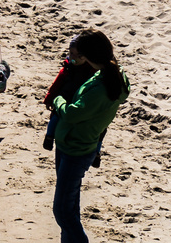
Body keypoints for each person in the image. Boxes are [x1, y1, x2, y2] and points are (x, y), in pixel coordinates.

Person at [49, 30, 129, 243]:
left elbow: (73, 113)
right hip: (75, 145)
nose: (75, 59)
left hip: (76, 149)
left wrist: (57, 100)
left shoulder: (101, 86)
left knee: (63, 212)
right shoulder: (111, 74)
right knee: (70, 206)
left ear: (89, 56)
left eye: (79, 55)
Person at [43, 35, 98, 155]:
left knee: (98, 129)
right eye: (71, 53)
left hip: (80, 101)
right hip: (65, 99)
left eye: (79, 56)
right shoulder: (67, 68)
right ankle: (49, 137)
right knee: (55, 117)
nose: (74, 58)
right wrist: (49, 99)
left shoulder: (91, 70)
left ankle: (97, 153)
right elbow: (56, 85)